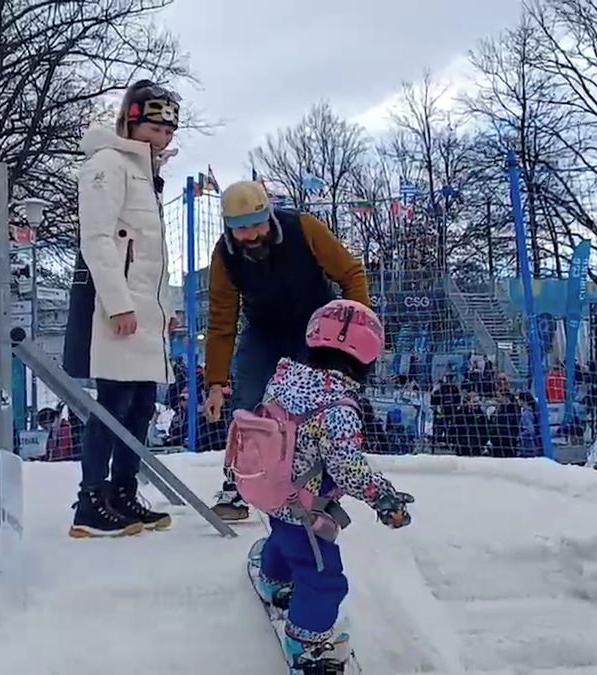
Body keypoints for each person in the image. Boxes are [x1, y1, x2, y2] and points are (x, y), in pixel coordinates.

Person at [241, 300, 413, 671]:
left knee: (285, 540)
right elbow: (347, 466)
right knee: (324, 578)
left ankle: (273, 578)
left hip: (269, 487)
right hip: (302, 504)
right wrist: (382, 496)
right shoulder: (338, 408)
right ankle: (307, 644)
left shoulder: (285, 377)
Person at [204, 180, 371, 521]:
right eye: (239, 229)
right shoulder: (225, 255)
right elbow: (221, 318)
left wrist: (354, 325)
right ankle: (238, 486)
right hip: (264, 329)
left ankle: (317, 484)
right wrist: (216, 381)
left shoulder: (303, 228)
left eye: (256, 224)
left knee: (315, 405)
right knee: (249, 401)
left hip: (317, 326)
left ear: (269, 216)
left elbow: (351, 272)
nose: (250, 235)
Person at [62, 79, 181, 538]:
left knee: (141, 406)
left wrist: (164, 307)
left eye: (169, 130)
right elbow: (97, 238)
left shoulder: (147, 176)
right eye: (156, 127)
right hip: (118, 312)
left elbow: (154, 255)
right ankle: (90, 499)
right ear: (133, 121)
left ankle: (123, 491)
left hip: (144, 313)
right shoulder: (109, 165)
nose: (164, 137)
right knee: (112, 405)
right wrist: (116, 303)